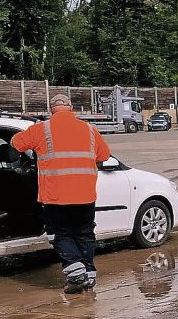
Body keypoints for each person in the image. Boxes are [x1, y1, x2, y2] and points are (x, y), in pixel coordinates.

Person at [12, 94, 111, 293]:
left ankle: (76, 275)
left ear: (51, 110)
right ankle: (88, 274)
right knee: (84, 233)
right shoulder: (89, 130)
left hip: (55, 196)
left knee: (61, 234)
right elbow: (104, 155)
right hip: (85, 195)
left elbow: (16, 144)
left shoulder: (42, 129)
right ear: (71, 107)